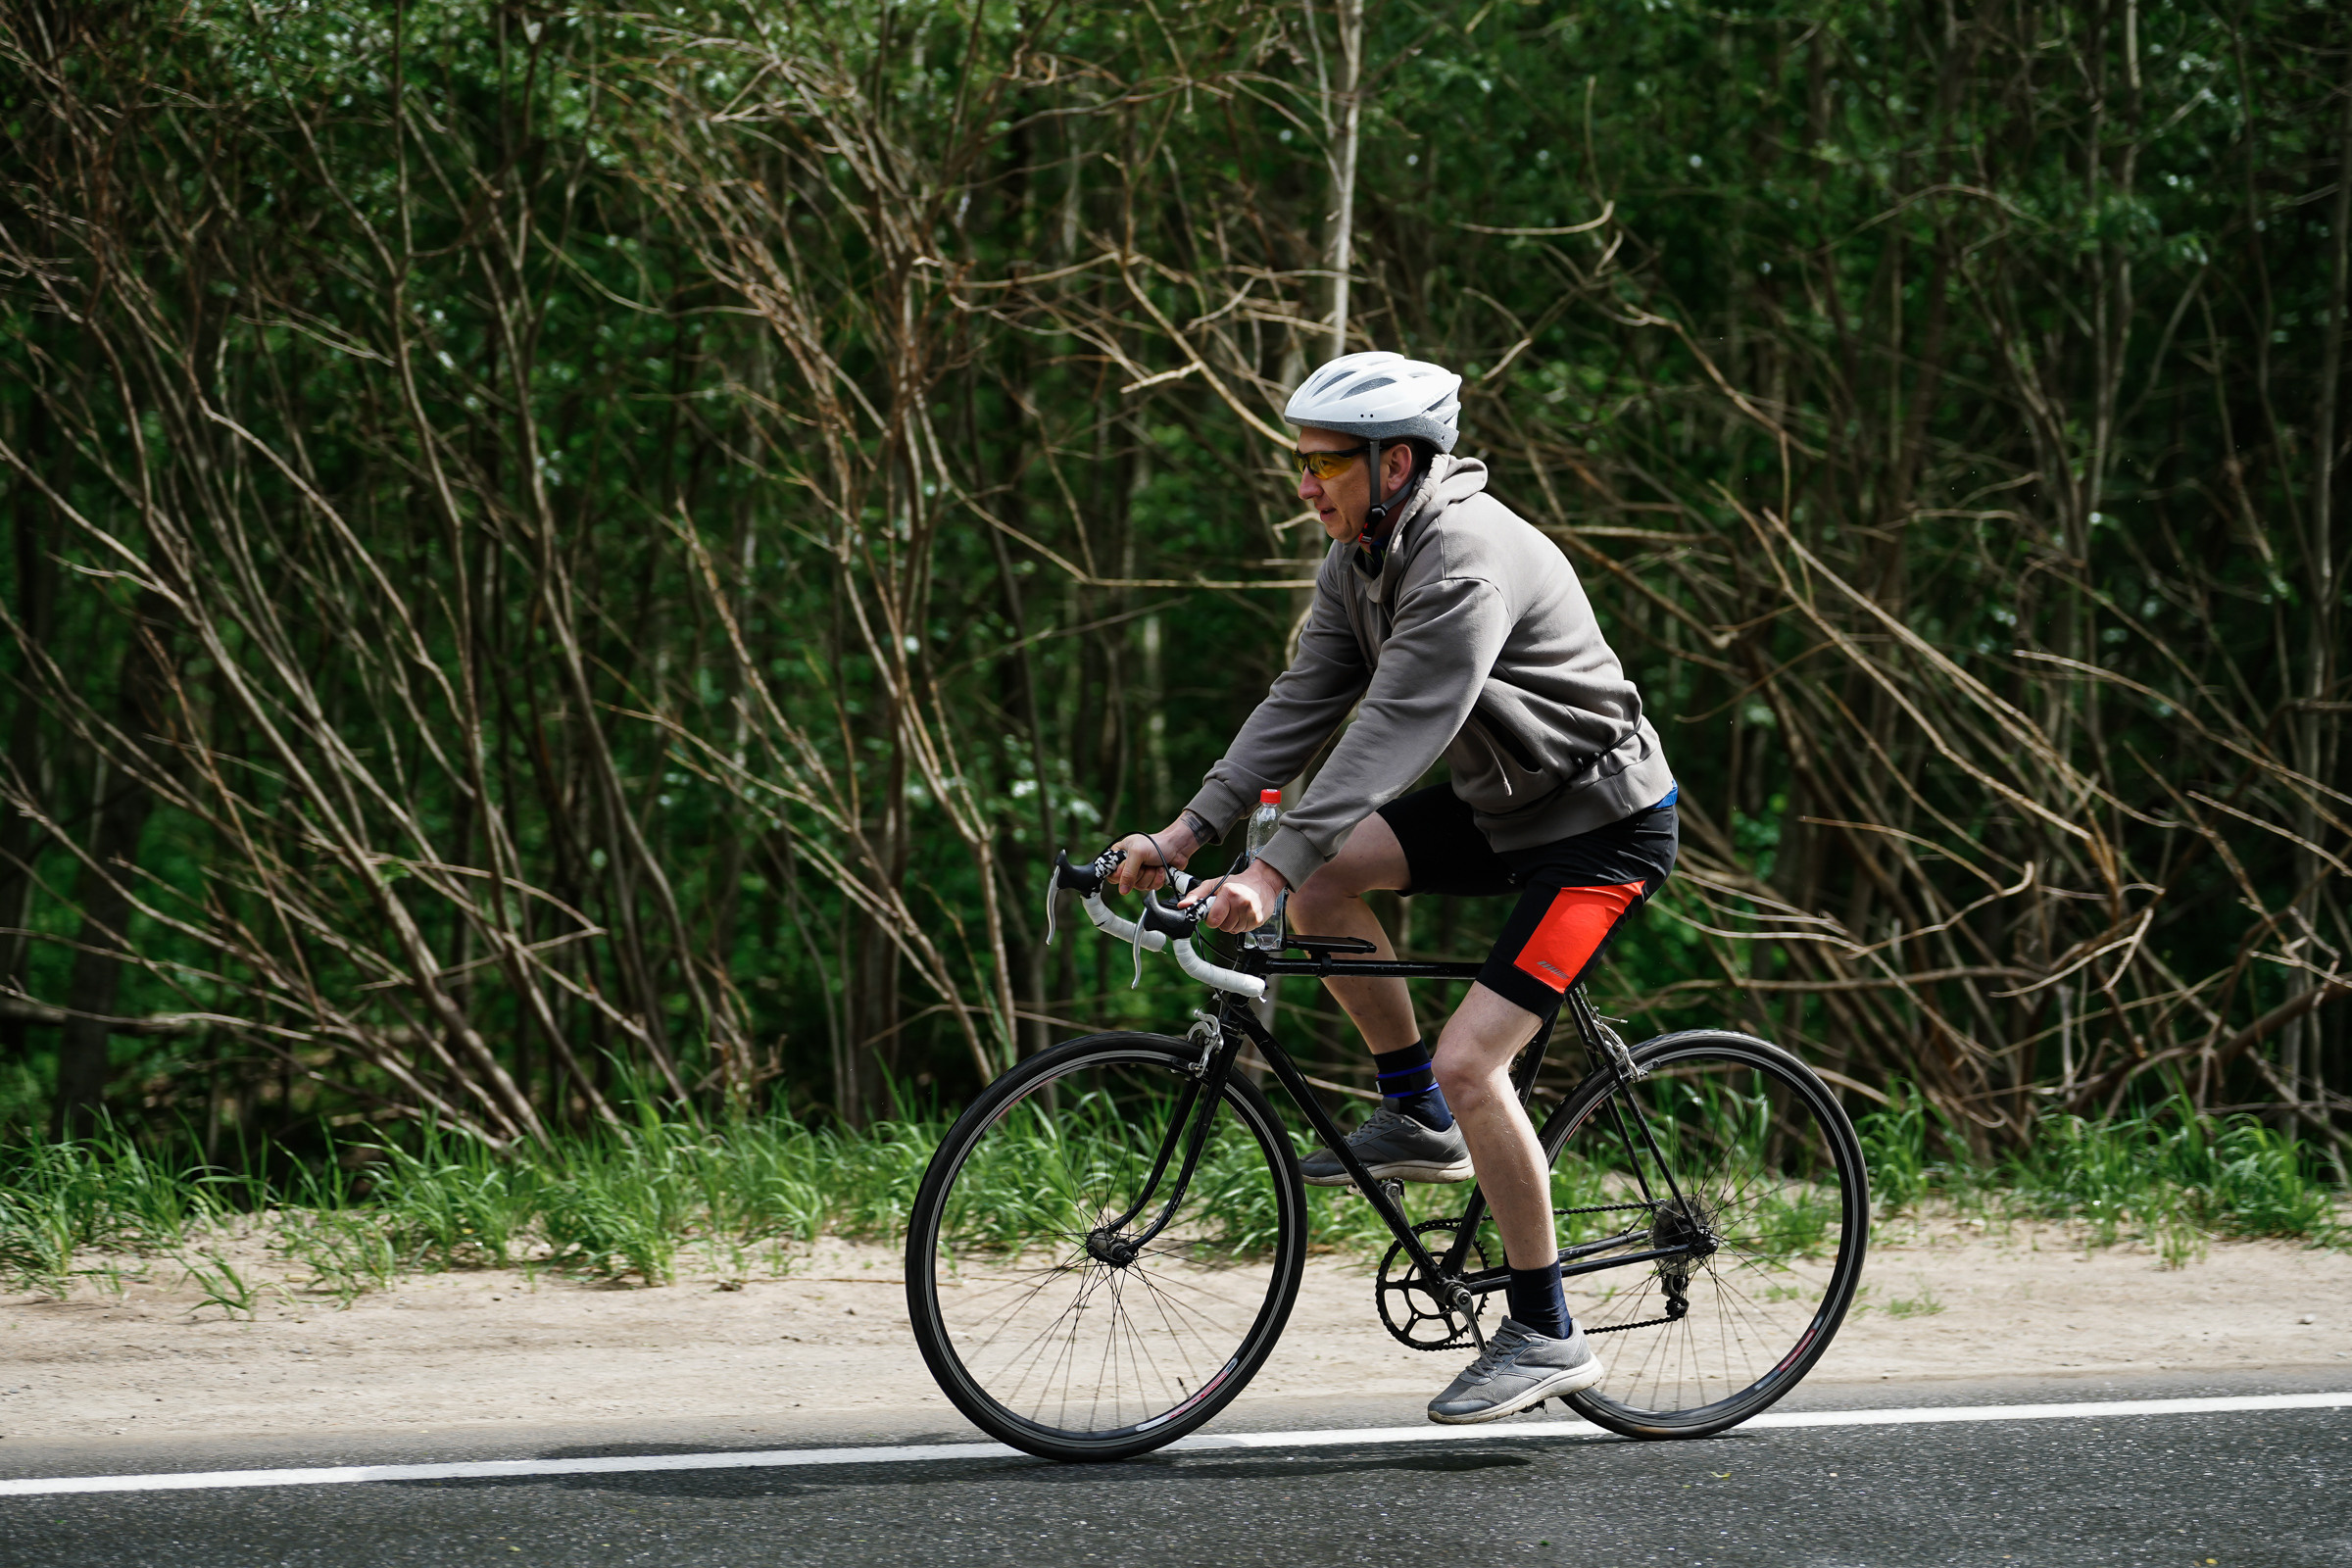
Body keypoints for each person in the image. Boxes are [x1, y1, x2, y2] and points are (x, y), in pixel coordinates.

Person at [1105, 350, 1680, 1425]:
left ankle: (1548, 1328)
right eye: (1301, 460)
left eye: (1324, 463)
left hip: (1601, 830)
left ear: (1397, 461)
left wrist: (1267, 871)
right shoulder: (1359, 557)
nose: (1304, 483)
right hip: (1506, 805)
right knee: (1327, 885)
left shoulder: (1463, 558)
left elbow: (1393, 730)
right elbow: (1299, 702)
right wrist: (1184, 831)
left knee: (1476, 1060)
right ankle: (1415, 1116)